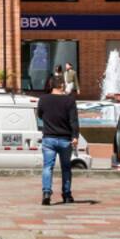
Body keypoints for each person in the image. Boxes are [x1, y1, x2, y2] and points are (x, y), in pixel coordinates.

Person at [36, 74, 78, 206]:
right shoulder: (69, 101)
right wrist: (75, 136)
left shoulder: (43, 99)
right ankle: (66, 195)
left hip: (49, 138)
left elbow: (40, 115)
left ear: (51, 85)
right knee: (66, 168)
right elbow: (74, 121)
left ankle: (47, 193)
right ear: (61, 85)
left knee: (48, 167)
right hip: (65, 139)